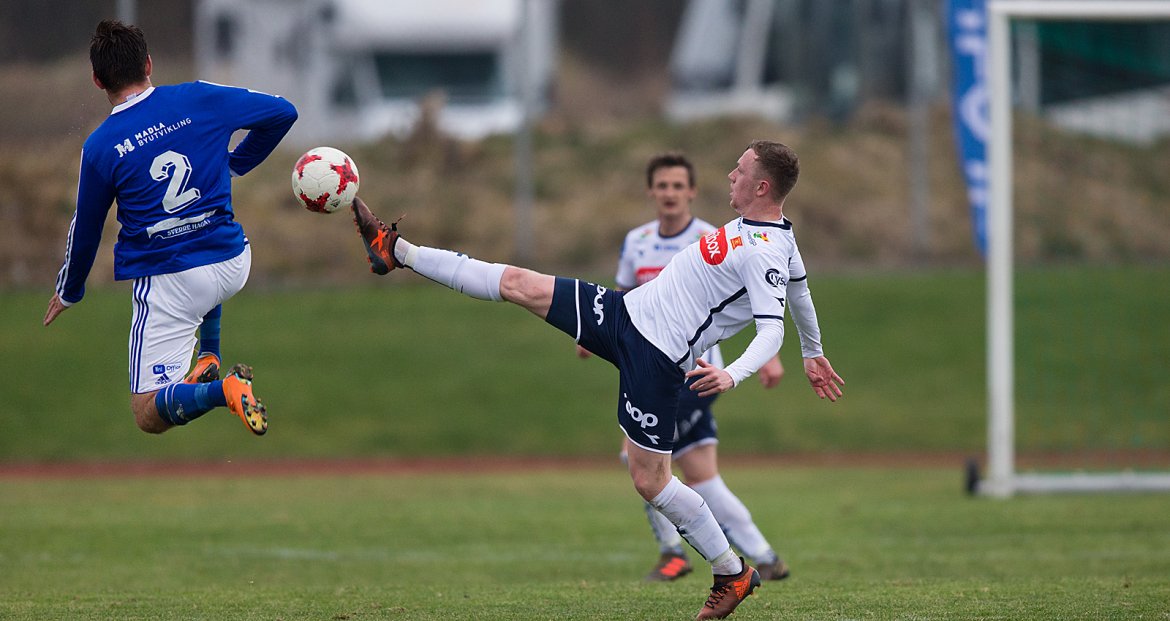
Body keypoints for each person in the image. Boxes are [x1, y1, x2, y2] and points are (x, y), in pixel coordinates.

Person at [350, 140, 843, 620]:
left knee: (650, 480)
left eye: (739, 170)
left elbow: (771, 327)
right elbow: (801, 292)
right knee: (520, 284)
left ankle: (730, 572)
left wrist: (734, 374)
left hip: (656, 358)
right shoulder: (768, 232)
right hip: (625, 312)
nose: (730, 176)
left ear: (761, 186)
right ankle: (395, 250)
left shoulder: (765, 251)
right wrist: (815, 352)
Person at [43, 20, 297, 437]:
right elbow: (283, 113)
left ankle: (224, 390)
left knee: (146, 414)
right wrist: (237, 163)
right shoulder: (199, 96)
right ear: (148, 63)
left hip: (174, 281)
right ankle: (209, 356)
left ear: (96, 80)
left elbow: (85, 230)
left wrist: (70, 291)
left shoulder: (101, 146)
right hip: (235, 262)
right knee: (205, 241)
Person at [578, 152, 791, 583]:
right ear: (651, 192)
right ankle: (765, 557)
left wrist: (769, 357)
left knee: (637, 457)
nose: (670, 193)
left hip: (694, 374)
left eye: (679, 186)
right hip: (652, 366)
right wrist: (593, 335)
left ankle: (675, 553)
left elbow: (748, 296)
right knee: (699, 474)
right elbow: (622, 296)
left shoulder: (713, 236)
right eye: (663, 186)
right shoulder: (636, 241)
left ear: (691, 192)